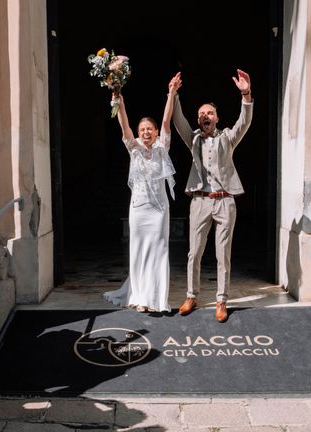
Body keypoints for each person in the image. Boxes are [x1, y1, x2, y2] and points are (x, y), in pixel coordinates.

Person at [170, 69, 253, 323]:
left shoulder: (227, 137)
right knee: (194, 252)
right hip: (200, 201)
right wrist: (173, 94)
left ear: (216, 118)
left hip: (225, 200)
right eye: (200, 114)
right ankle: (192, 296)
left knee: (222, 253)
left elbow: (244, 122)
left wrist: (246, 94)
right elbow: (178, 120)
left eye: (209, 113)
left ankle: (221, 300)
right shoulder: (193, 139)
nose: (204, 116)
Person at [103, 75, 178, 313]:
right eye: (142, 129)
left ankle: (156, 299)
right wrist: (119, 99)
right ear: (139, 132)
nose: (146, 132)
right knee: (138, 251)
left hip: (158, 209)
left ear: (156, 132)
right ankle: (139, 297)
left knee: (158, 250)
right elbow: (123, 124)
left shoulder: (161, 148)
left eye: (150, 129)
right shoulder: (133, 149)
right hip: (138, 209)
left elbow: (167, 120)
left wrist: (171, 93)